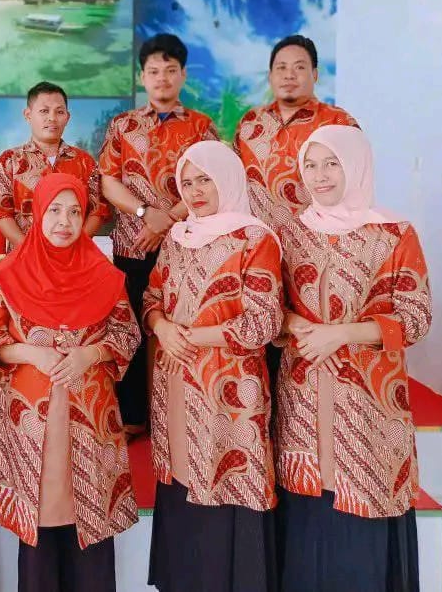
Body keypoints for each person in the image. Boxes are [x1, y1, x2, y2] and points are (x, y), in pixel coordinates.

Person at [275, 125, 432, 592]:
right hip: (304, 395)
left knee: (363, 502)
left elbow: (416, 318)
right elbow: (270, 306)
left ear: (356, 165)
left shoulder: (393, 234)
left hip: (368, 403)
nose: (319, 175)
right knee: (309, 506)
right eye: (310, 165)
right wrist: (293, 324)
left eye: (332, 164)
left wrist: (341, 334)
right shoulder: (291, 232)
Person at [0, 174, 140, 592]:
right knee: (40, 522)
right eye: (54, 210)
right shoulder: (7, 274)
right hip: (32, 424)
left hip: (91, 420)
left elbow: (127, 333)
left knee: (91, 521)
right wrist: (30, 353)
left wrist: (91, 354)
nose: (64, 222)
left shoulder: (104, 274)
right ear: (37, 213)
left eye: (74, 212)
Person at [143, 141, 283, 592]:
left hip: (229, 388)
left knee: (226, 473)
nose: (196, 191)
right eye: (187, 183)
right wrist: (162, 326)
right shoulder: (177, 236)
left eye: (205, 179)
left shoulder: (255, 238)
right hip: (175, 380)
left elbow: (264, 320)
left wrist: (190, 337)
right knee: (181, 476)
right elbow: (151, 298)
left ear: (227, 178)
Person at [99, 33, 219, 436]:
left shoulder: (201, 127)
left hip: (188, 245)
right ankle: (133, 415)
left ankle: (185, 413)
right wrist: (143, 213)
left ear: (183, 75)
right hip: (132, 246)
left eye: (170, 70)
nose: (162, 78)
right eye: (154, 71)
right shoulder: (123, 125)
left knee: (184, 326)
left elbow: (213, 180)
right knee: (131, 326)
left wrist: (165, 219)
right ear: (142, 77)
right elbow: (108, 182)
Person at [233, 34, 358, 231]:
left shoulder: (338, 122)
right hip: (260, 240)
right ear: (270, 76)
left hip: (319, 239)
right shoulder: (250, 122)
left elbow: (357, 184)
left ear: (315, 75)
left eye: (299, 67)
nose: (289, 75)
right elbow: (232, 182)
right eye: (281, 68)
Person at [0, 81, 109, 249]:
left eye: (59, 112)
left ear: (67, 117)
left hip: (73, 255)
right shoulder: (9, 161)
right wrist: (29, 249)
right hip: (25, 255)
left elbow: (98, 211)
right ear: (28, 115)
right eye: (44, 111)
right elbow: (0, 213)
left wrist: (73, 245)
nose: (52, 118)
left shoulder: (85, 162)